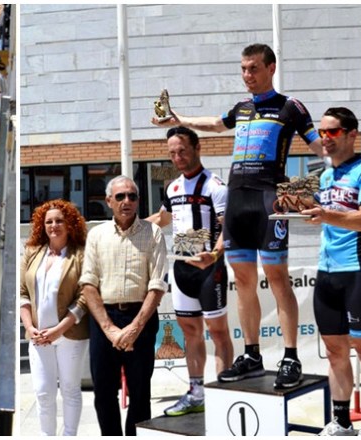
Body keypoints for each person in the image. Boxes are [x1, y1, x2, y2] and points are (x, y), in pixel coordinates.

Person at [152, 43, 324, 389]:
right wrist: (179, 120)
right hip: (238, 202)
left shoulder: (290, 107)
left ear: (271, 68)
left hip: (268, 201)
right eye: (244, 69)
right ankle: (252, 354)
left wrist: (315, 189)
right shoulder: (243, 108)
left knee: (278, 280)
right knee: (243, 282)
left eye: (254, 69)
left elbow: (320, 148)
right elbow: (217, 124)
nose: (247, 76)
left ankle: (290, 356)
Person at [298, 108, 361, 435]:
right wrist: (299, 206)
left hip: (356, 271)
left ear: (351, 134)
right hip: (327, 272)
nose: (324, 138)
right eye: (321, 132)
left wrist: (324, 214)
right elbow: (324, 215)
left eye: (332, 132)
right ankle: (342, 421)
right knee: (335, 353)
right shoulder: (324, 176)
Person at [145, 127, 233, 416]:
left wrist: (216, 254)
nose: (177, 157)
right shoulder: (173, 188)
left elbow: (226, 227)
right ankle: (197, 393)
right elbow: (162, 218)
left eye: (182, 150)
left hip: (210, 269)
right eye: (172, 153)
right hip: (182, 269)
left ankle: (223, 394)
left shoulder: (215, 186)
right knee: (190, 332)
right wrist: (120, 226)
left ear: (197, 147)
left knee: (218, 332)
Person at [79, 175, 168, 436]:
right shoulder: (96, 235)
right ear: (109, 201)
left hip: (141, 320)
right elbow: (88, 283)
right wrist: (109, 329)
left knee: (141, 394)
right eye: (120, 196)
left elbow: (157, 285)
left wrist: (134, 328)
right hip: (104, 320)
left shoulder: (153, 233)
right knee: (103, 393)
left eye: (132, 196)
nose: (126, 201)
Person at [20, 199, 90, 436]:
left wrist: (59, 329)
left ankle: (69, 435)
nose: (54, 225)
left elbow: (84, 297)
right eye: (49, 221)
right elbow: (22, 293)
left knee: (70, 389)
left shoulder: (81, 255)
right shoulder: (32, 252)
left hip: (70, 334)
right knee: (43, 391)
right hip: (38, 336)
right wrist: (29, 327)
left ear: (70, 224)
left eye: (59, 220)